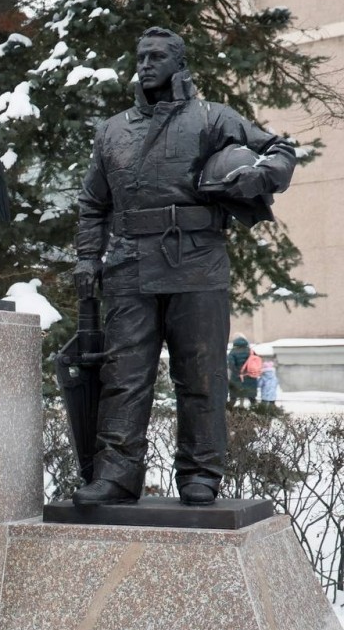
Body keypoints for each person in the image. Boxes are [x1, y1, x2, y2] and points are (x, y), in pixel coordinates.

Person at [71, 26, 296, 507]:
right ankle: (116, 474)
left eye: (157, 56)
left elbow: (280, 150)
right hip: (129, 265)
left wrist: (258, 177)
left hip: (197, 260)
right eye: (141, 56)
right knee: (123, 375)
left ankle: (200, 472)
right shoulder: (112, 130)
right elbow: (92, 204)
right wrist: (87, 257)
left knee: (201, 374)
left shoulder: (212, 117)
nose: (146, 64)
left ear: (179, 63)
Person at [227, 334, 259, 408]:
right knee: (252, 398)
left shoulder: (233, 352)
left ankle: (228, 411)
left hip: (237, 378)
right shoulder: (251, 351)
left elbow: (231, 364)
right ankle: (258, 411)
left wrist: (237, 373)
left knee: (233, 398)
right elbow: (257, 362)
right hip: (250, 377)